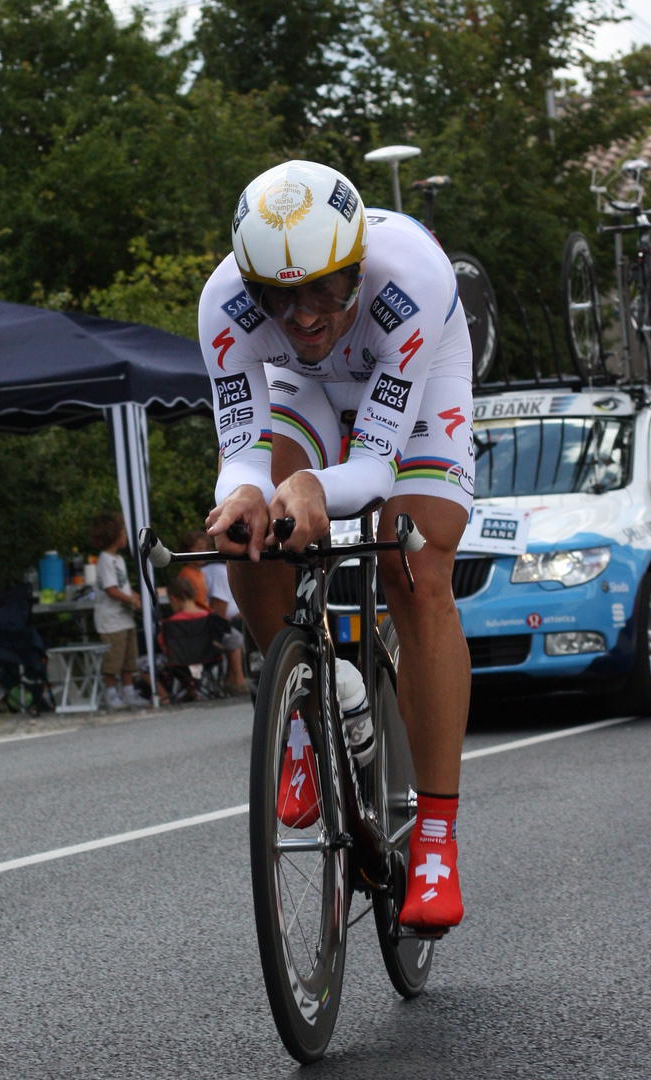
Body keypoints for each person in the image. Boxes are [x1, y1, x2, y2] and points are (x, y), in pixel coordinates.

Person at [199, 159, 474, 934]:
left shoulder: (409, 281)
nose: (303, 313)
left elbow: (377, 467)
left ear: (357, 264)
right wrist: (248, 495)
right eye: (278, 296)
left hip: (413, 376)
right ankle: (304, 708)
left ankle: (436, 836)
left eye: (325, 288)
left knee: (411, 565)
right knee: (248, 535)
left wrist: (317, 489)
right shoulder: (223, 303)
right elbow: (242, 455)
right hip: (304, 390)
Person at [178, 528, 249, 695]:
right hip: (199, 621)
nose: (203, 552)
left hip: (205, 617)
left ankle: (232, 680)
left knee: (233, 636)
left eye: (204, 548)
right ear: (187, 551)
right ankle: (237, 680)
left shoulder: (199, 573)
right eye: (198, 549)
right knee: (234, 637)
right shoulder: (187, 574)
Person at [91, 511, 148, 710]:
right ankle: (111, 694)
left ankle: (128, 691)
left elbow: (121, 586)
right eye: (123, 531)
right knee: (113, 659)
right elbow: (111, 590)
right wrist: (132, 600)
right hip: (111, 621)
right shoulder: (105, 560)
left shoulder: (118, 560)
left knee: (128, 657)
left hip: (125, 619)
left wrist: (134, 595)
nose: (126, 535)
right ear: (114, 535)